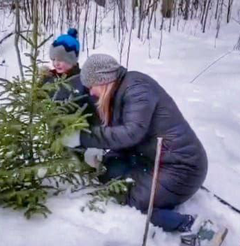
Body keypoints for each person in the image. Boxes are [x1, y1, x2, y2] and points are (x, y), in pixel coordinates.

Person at [63, 54, 208, 232]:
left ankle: (189, 225)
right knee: (108, 176)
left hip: (181, 168)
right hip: (148, 159)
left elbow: (131, 133)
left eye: (92, 86)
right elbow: (125, 139)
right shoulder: (119, 91)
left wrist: (82, 137)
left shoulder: (137, 89)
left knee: (133, 202)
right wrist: (98, 153)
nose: (91, 92)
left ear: (103, 80)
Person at [43, 28, 98, 124]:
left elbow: (93, 109)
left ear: (72, 60)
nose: (56, 63)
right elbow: (36, 101)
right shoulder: (49, 78)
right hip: (52, 131)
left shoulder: (83, 80)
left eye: (61, 59)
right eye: (54, 59)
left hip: (77, 131)